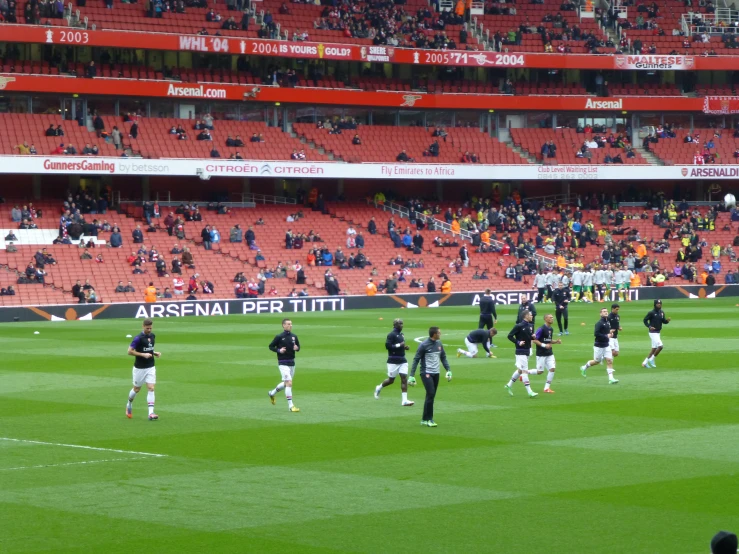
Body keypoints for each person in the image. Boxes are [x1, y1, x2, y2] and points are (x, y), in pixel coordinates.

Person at [408, 326, 451, 427]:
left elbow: (443, 357)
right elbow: (416, 359)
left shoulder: (439, 344)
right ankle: (430, 419)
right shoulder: (423, 345)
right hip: (426, 373)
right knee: (431, 393)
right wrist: (411, 375)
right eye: (439, 333)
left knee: (430, 395)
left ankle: (424, 419)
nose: (441, 334)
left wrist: (448, 370)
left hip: (436, 373)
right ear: (434, 334)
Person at [125, 319, 161, 421]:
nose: (149, 330)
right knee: (136, 389)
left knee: (151, 388)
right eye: (147, 328)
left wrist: (154, 353)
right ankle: (129, 403)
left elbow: (149, 348)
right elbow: (129, 352)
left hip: (150, 366)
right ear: (143, 326)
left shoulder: (152, 336)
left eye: (150, 328)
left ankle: (151, 413)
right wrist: (142, 354)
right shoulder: (138, 338)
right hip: (139, 368)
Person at [374, 318, 414, 406]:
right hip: (393, 361)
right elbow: (388, 346)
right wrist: (400, 345)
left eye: (402, 323)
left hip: (402, 360)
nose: (401, 325)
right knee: (391, 380)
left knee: (404, 379)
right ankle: (379, 387)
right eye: (400, 324)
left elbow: (399, 346)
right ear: (395, 325)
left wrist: (405, 347)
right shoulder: (391, 335)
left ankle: (404, 400)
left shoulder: (401, 335)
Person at [268, 319, 301, 412]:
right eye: (288, 324)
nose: (290, 325)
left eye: (291, 324)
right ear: (283, 325)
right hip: (283, 363)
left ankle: (271, 393)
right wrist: (279, 350)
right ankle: (291, 406)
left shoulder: (294, 336)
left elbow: (298, 347)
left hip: (292, 362)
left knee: (286, 383)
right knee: (289, 382)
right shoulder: (279, 336)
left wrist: (297, 348)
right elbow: (270, 346)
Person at [579, 308, 619, 384]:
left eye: (606, 311)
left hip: (606, 345)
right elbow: (596, 334)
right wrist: (606, 335)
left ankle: (611, 379)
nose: (606, 313)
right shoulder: (599, 323)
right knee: (597, 361)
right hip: (599, 346)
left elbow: (605, 332)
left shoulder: (608, 322)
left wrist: (610, 333)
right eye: (604, 312)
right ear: (600, 314)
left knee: (610, 361)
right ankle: (584, 367)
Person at [504, 310, 537, 398]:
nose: (532, 316)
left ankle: (509, 385)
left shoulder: (531, 326)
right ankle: (530, 392)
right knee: (524, 371)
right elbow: (509, 336)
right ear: (526, 316)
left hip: (527, 350)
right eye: (530, 315)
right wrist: (518, 342)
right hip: (520, 351)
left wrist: (532, 337)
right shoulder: (518, 326)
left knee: (520, 370)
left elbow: (528, 337)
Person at [532, 314, 561, 393]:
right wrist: (544, 345)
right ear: (545, 319)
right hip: (541, 353)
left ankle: (546, 388)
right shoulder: (541, 329)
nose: (552, 319)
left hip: (549, 353)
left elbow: (549, 340)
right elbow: (534, 340)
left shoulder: (551, 329)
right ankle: (524, 372)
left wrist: (556, 342)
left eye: (552, 317)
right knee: (540, 372)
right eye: (550, 317)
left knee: (552, 369)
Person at [642, 299, 670, 368]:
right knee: (660, 346)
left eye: (660, 304)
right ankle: (652, 359)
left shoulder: (662, 312)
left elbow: (663, 321)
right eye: (658, 304)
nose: (659, 305)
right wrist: (649, 326)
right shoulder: (651, 312)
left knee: (654, 349)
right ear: (655, 304)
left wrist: (667, 321)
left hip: (658, 332)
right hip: (652, 332)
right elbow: (645, 320)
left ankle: (644, 363)